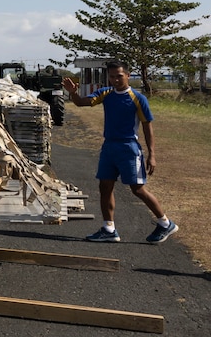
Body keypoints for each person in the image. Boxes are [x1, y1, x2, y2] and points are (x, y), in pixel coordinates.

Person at [63, 61, 178, 244]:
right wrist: (73, 92)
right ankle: (109, 229)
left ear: (128, 75)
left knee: (137, 189)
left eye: (119, 76)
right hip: (109, 147)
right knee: (105, 186)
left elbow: (148, 127)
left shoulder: (138, 98)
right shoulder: (105, 93)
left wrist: (152, 155)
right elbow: (81, 103)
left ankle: (165, 223)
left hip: (129, 148)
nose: (115, 80)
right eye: (112, 76)